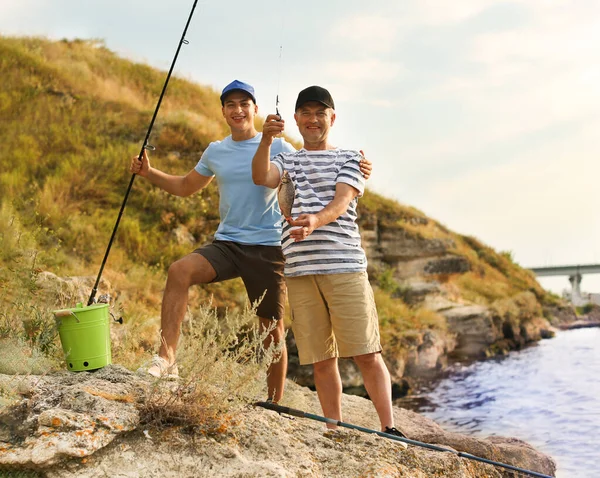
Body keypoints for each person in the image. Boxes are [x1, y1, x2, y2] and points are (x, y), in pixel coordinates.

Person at [130, 80, 372, 404]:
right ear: (224, 112)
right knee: (179, 271)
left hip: (269, 248)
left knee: (271, 331)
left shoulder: (282, 147)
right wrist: (149, 173)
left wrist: (360, 165)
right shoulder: (216, 151)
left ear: (255, 110)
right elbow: (187, 186)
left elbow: (317, 161)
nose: (238, 110)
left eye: (245, 104)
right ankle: (167, 359)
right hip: (228, 244)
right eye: (231, 105)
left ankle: (274, 404)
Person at [251, 85, 406, 436]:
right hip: (300, 271)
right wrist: (264, 140)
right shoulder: (285, 159)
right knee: (321, 359)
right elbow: (261, 177)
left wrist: (315, 221)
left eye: (320, 113)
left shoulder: (350, 158)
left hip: (344, 267)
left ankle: (390, 427)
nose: (312, 119)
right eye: (305, 112)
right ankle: (333, 428)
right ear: (296, 119)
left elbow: (341, 202)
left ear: (332, 118)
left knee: (366, 352)